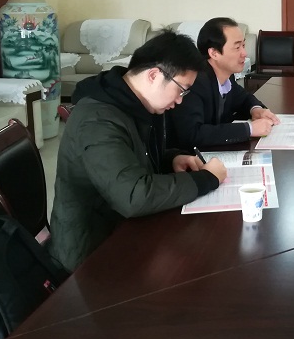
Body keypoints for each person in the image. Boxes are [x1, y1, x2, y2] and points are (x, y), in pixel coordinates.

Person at [49, 31, 228, 272]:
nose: (180, 100)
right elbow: (133, 196)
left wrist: (172, 159)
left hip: (127, 228)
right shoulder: (97, 120)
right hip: (93, 254)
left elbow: (132, 156)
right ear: (154, 75)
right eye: (181, 89)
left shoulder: (137, 103)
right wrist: (207, 179)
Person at [168, 17, 281, 150]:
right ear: (214, 53)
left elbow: (243, 98)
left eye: (243, 45)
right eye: (237, 47)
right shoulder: (194, 81)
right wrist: (249, 129)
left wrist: (257, 110)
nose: (244, 53)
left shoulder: (226, 75)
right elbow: (193, 134)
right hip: (188, 158)